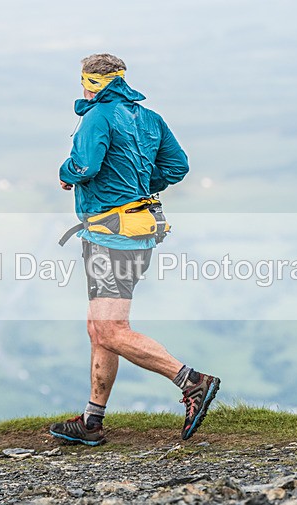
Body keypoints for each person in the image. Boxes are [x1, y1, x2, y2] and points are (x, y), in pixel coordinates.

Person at [49, 53, 221, 446]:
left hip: (112, 237)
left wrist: (65, 174)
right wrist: (140, 186)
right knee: (99, 328)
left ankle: (192, 381)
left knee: (110, 328)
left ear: (89, 83)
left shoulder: (96, 117)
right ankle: (91, 421)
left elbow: (85, 166)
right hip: (136, 231)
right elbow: (177, 167)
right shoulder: (149, 118)